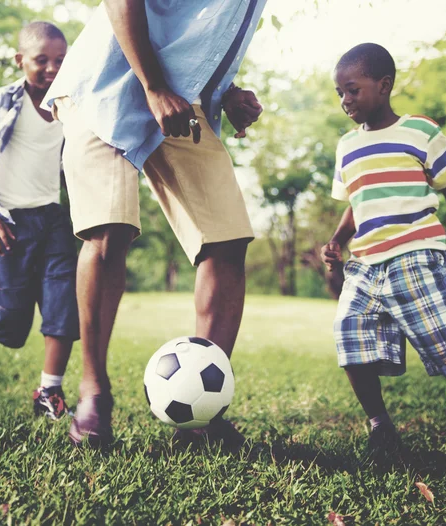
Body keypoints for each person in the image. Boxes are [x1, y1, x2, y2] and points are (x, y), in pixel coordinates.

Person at [42, 0, 267, 447]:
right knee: (110, 230)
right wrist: (153, 85)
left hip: (183, 98)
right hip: (105, 83)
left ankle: (201, 414)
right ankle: (93, 395)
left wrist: (228, 91)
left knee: (226, 238)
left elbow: (198, 32)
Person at [321, 43, 446, 466]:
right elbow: (355, 200)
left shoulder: (419, 131)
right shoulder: (347, 146)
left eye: (353, 90)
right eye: (339, 93)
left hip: (415, 253)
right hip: (365, 262)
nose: (345, 101)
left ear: (383, 86)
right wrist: (335, 239)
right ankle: (380, 427)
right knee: (349, 332)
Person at [0, 22, 79, 420]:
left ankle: (49, 391)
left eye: (59, 60)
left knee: (63, 307)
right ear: (20, 60)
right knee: (12, 324)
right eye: (41, 60)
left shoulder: (70, 103)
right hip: (5, 220)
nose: (51, 68)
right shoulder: (3, 99)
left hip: (52, 219)